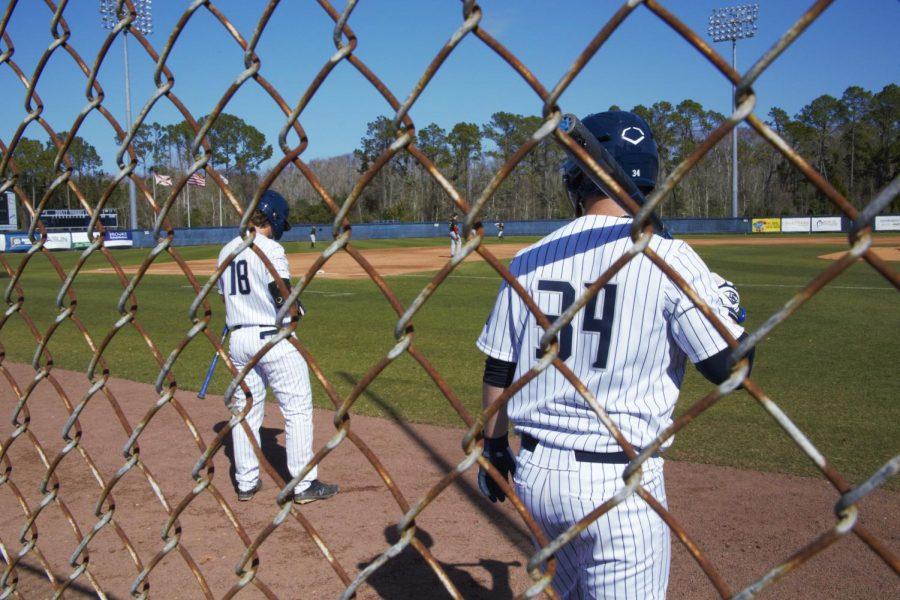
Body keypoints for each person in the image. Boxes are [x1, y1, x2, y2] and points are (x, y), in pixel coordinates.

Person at [474, 111, 753, 598]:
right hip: (620, 485)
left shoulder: (530, 257)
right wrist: (726, 298)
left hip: (537, 476)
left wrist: (495, 448)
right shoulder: (672, 258)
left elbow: (499, 366)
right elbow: (728, 368)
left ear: (577, 179)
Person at [217, 190, 339, 504]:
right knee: (297, 409)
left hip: (238, 338)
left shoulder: (226, 250)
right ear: (273, 218)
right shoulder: (270, 248)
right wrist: (298, 307)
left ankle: (245, 482)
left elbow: (224, 297)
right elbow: (283, 300)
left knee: (245, 410)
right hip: (274, 338)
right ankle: (303, 485)